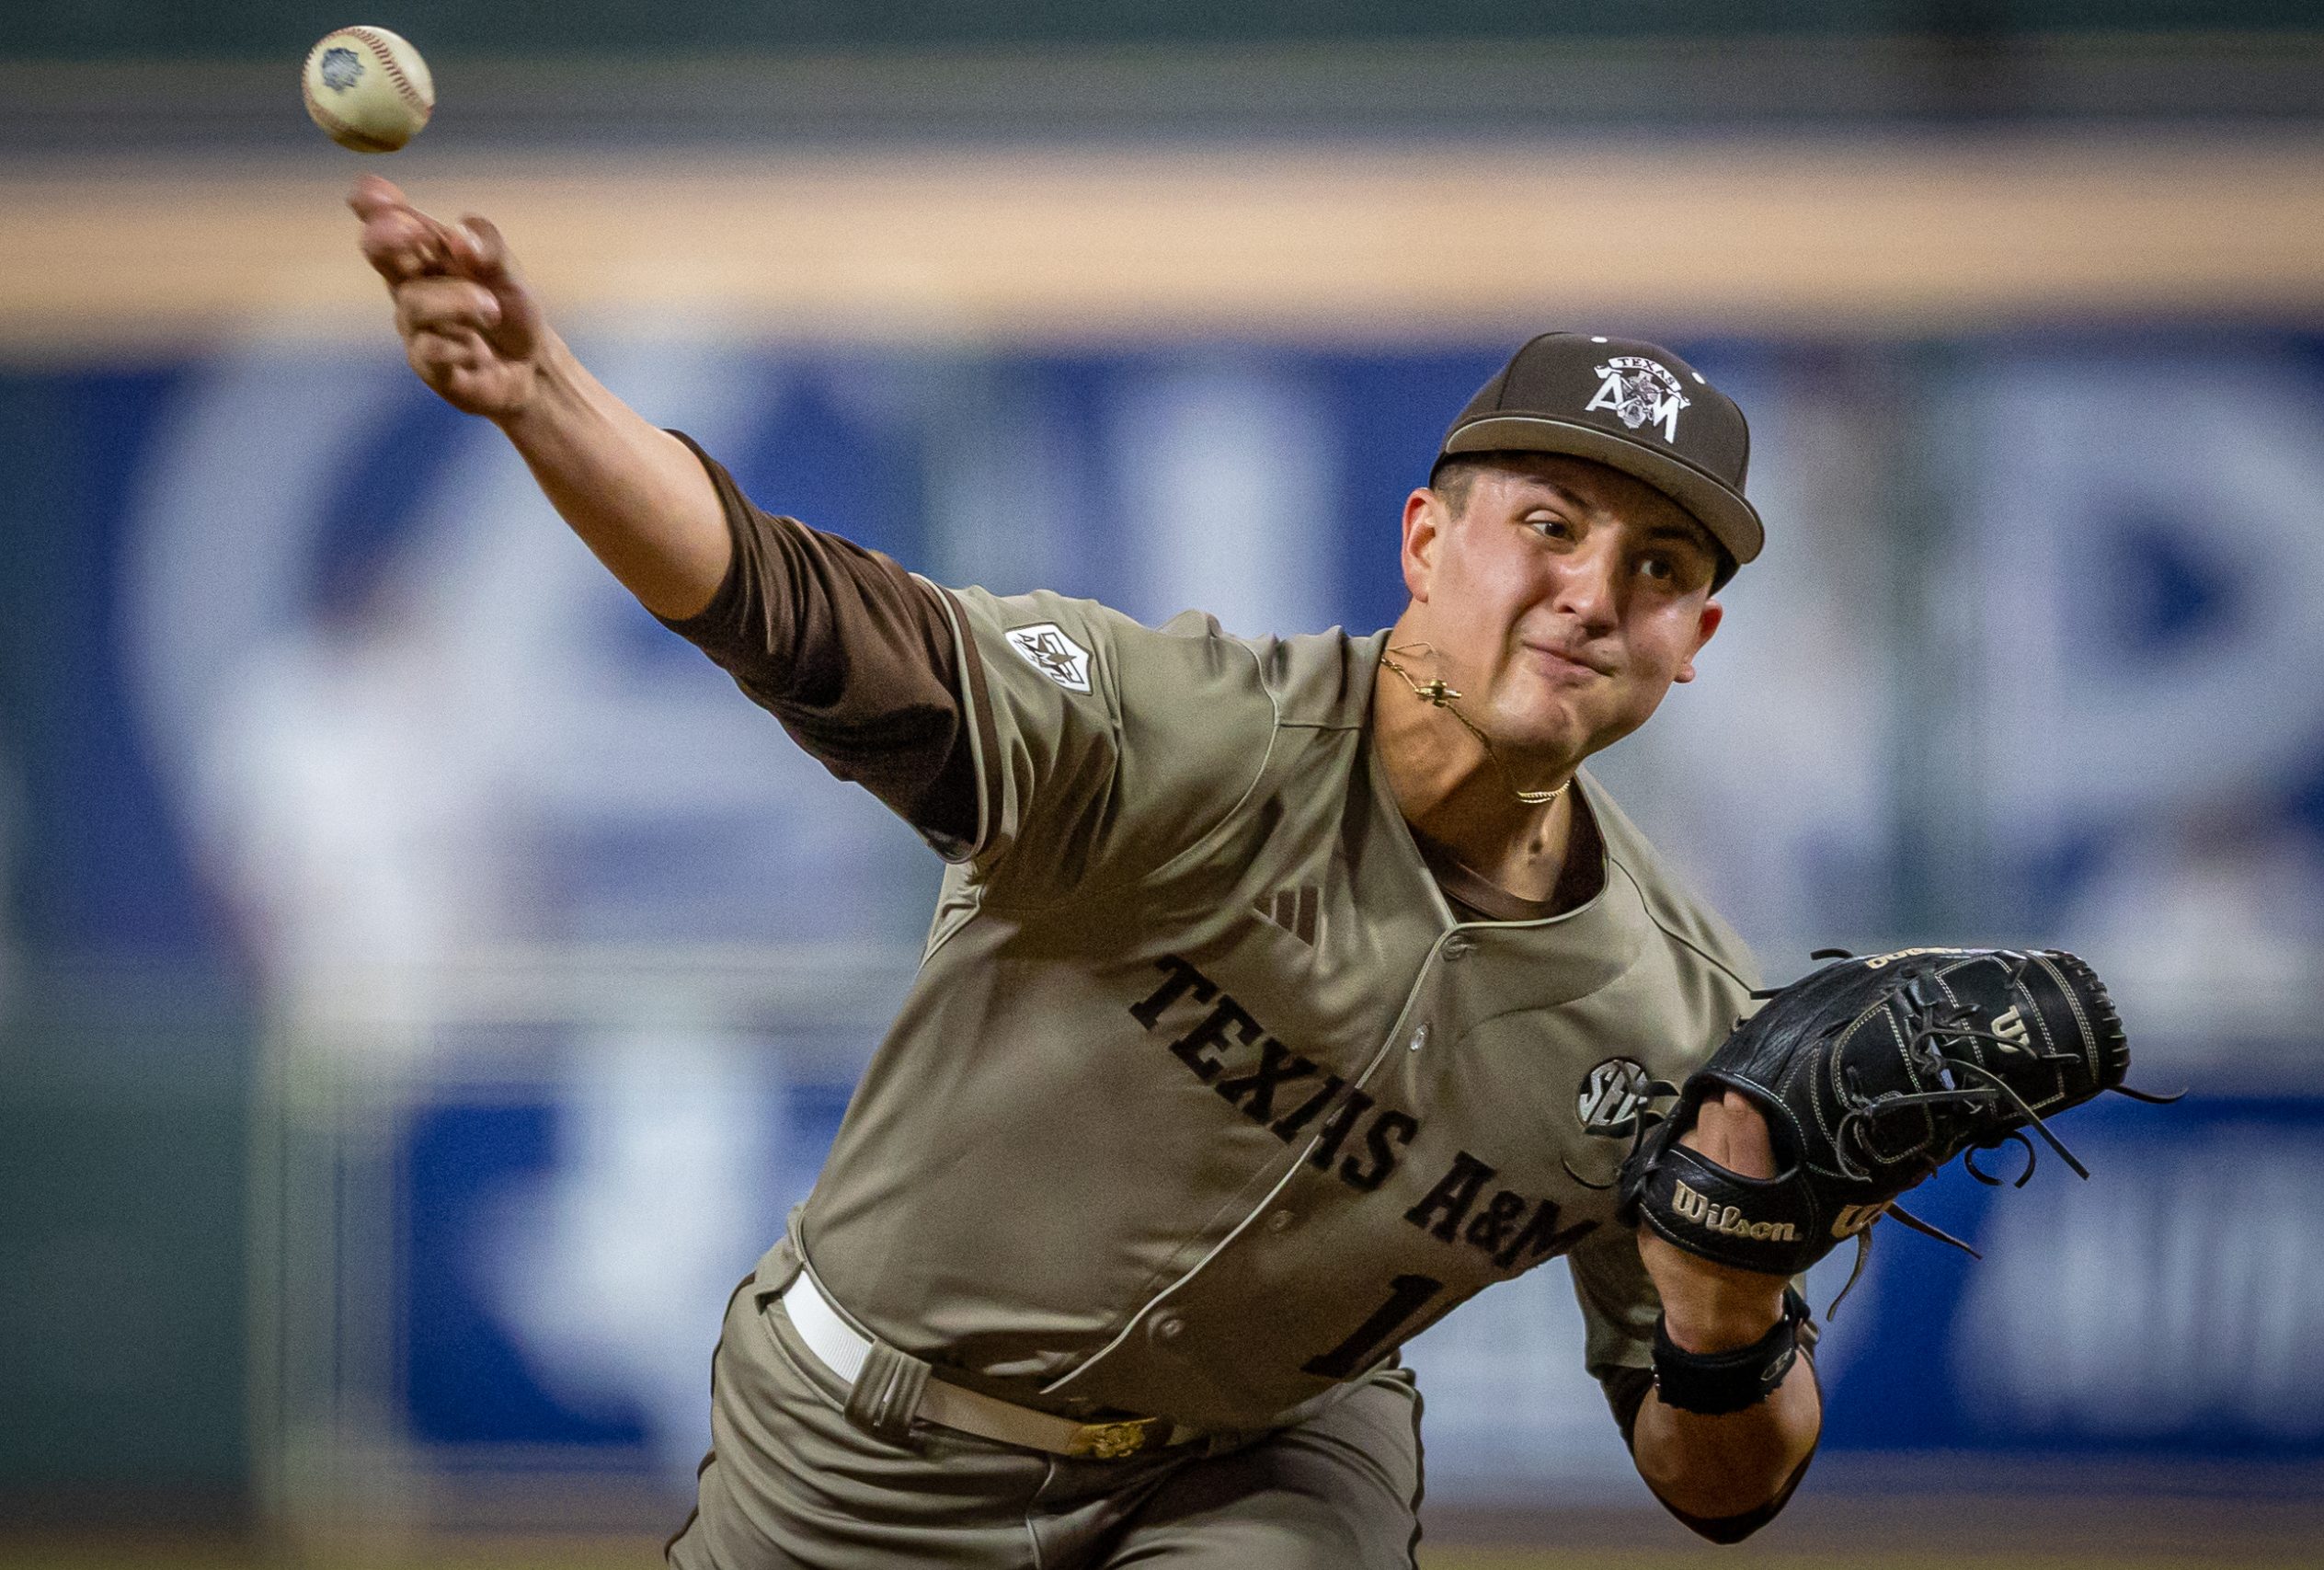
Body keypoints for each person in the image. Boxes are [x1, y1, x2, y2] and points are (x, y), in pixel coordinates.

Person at [349, 173, 1820, 1567]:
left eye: (1660, 571)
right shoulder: (1192, 734)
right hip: (868, 1445)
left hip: (1261, 1461)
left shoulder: (1681, 1022)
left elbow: (1720, 1488)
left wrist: (1731, 1306)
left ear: (1692, 646)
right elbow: (804, 614)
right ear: (1427, 541)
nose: (1591, 592)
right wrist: (545, 399)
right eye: (1551, 527)